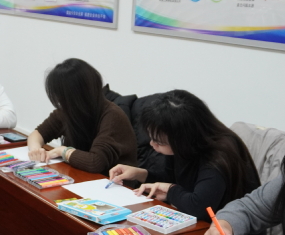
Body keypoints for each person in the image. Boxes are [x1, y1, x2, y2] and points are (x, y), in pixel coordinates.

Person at [108, 90, 260, 222]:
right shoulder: (185, 145)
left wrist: (171, 191)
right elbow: (171, 179)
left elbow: (199, 207)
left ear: (182, 139)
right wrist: (140, 174)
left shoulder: (219, 156)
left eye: (159, 142)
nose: (152, 144)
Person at [27, 58, 136, 176]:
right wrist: (36, 149)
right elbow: (37, 134)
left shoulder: (113, 116)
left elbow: (95, 162)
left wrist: (63, 151)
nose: (60, 101)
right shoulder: (68, 111)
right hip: (80, 175)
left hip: (113, 181)